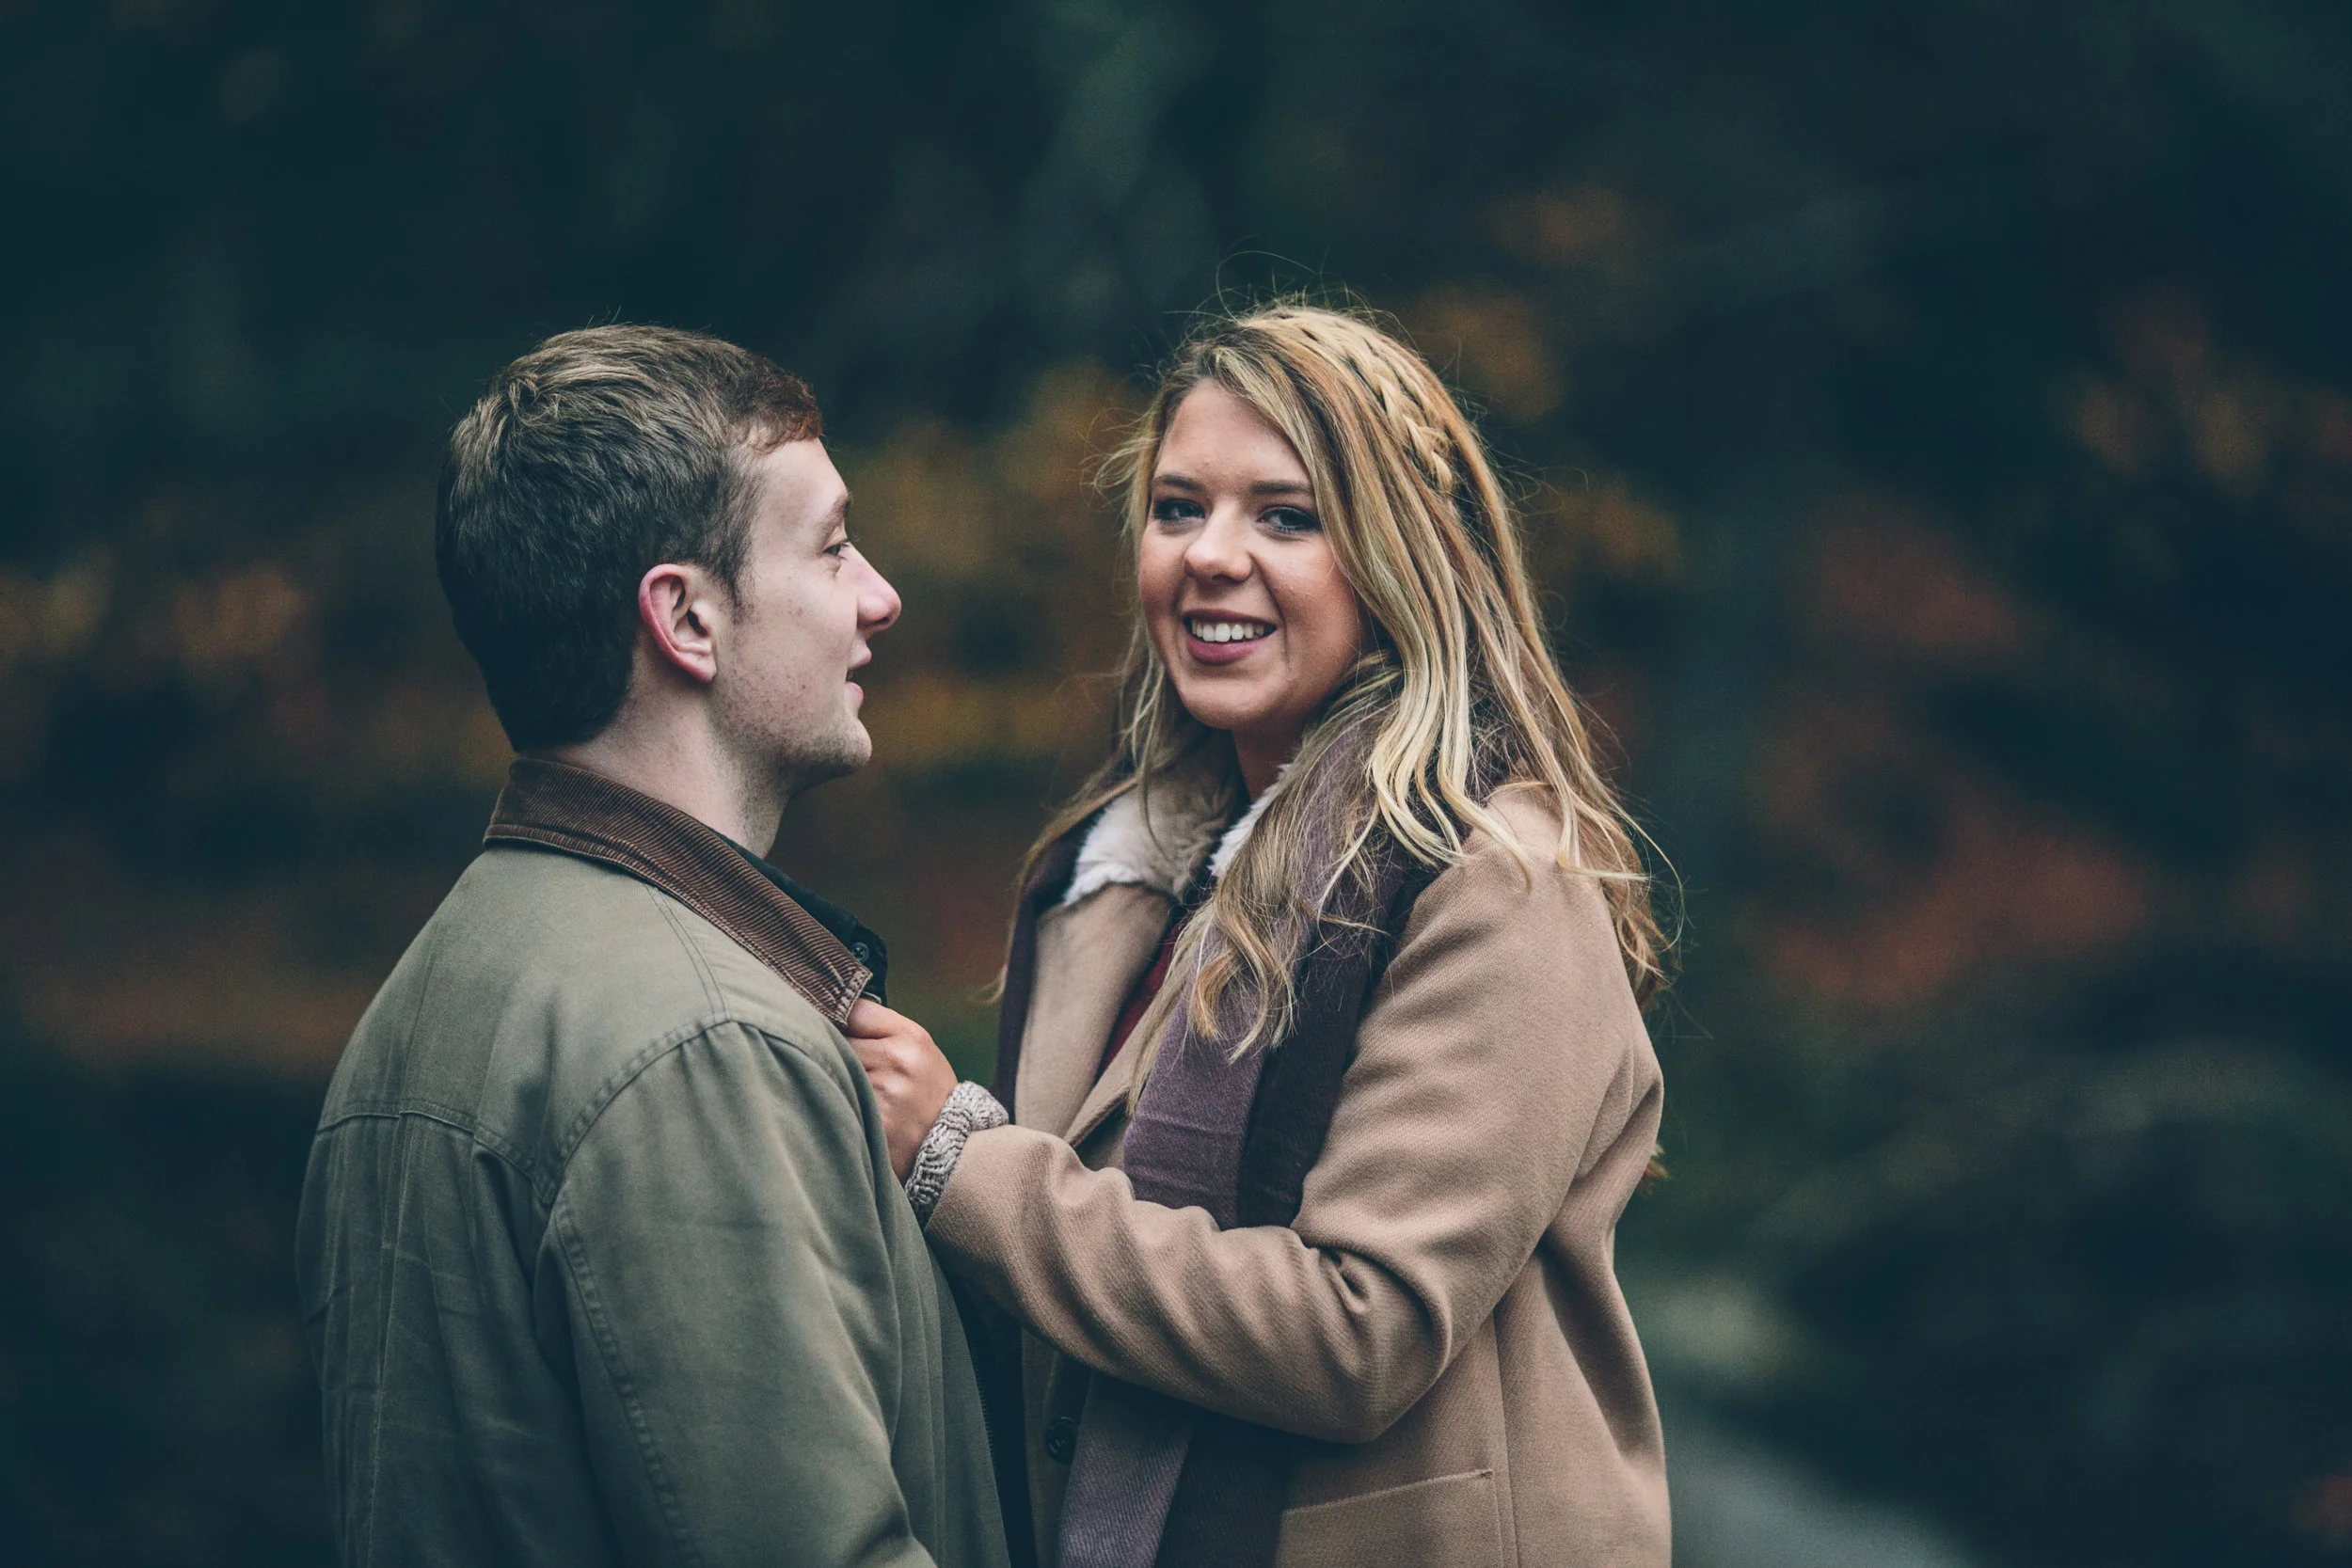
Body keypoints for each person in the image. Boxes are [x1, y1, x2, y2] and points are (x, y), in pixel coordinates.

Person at [852, 304, 1672, 1568]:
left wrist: (962, 1163)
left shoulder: (1497, 877)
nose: (1210, 556)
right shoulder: (1111, 882)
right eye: (1178, 508)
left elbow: (1358, 1330)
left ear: (1403, 555)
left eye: (1285, 516)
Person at [295, 325, 1010, 1568]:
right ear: (687, 617)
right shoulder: (701, 1045)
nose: (879, 594)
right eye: (833, 546)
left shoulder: (422, 999)